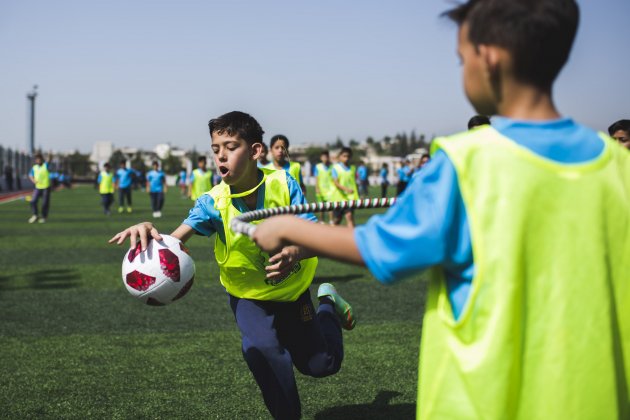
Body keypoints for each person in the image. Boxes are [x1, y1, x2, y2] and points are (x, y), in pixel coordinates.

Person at [251, 1, 629, 419]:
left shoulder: (466, 162)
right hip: (598, 401)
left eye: (460, 58)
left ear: (488, 57)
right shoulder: (620, 166)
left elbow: (383, 249)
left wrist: (287, 226)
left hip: (482, 402)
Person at [109, 111, 354, 420]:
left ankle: (328, 302)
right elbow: (174, 241)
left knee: (322, 365)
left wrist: (294, 252)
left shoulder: (283, 183)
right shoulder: (213, 201)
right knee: (264, 353)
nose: (220, 156)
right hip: (248, 298)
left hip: (294, 291)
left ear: (255, 151)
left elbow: (315, 236)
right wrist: (149, 229)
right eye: (215, 149)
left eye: (230, 147)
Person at [330, 147, 359, 227]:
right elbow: (336, 183)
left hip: (350, 198)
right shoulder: (335, 168)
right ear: (340, 157)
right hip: (338, 197)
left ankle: (352, 237)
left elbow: (355, 183)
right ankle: (329, 235)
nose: (346, 158)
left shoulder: (352, 168)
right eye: (344, 156)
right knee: (337, 219)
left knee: (349, 216)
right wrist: (346, 189)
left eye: (348, 156)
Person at [27, 153, 51, 223]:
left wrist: (49, 155)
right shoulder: (34, 168)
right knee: (33, 201)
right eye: (37, 159)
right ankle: (35, 215)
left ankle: (44, 217)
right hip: (37, 187)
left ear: (41, 159)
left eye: (39, 159)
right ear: (35, 160)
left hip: (46, 187)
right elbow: (30, 175)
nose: (38, 160)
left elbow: (49, 160)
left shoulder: (45, 165)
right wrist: (33, 180)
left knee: (44, 203)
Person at [314, 150, 334, 223]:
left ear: (328, 157)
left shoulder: (332, 167)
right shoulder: (318, 167)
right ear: (321, 158)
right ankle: (321, 220)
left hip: (330, 190)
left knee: (330, 206)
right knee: (321, 206)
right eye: (323, 157)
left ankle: (331, 220)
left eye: (326, 157)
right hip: (321, 189)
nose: (325, 158)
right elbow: (316, 178)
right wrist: (317, 188)